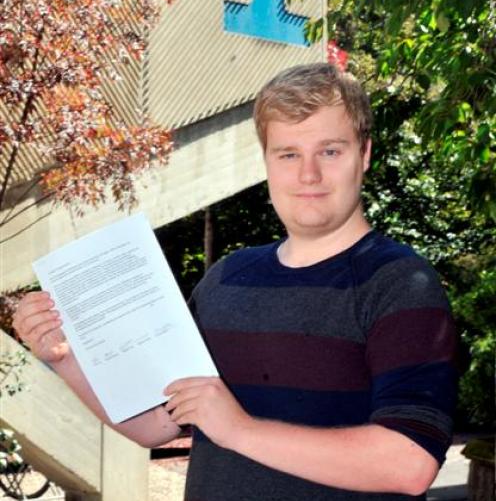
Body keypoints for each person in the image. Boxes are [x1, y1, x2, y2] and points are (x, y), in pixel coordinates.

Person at [14, 63, 457, 501]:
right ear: (266, 161)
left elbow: (410, 463)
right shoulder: (227, 279)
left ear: (364, 154)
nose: (308, 175)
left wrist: (240, 430)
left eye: (329, 151)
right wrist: (65, 358)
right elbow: (155, 424)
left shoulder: (400, 283)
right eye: (288, 154)